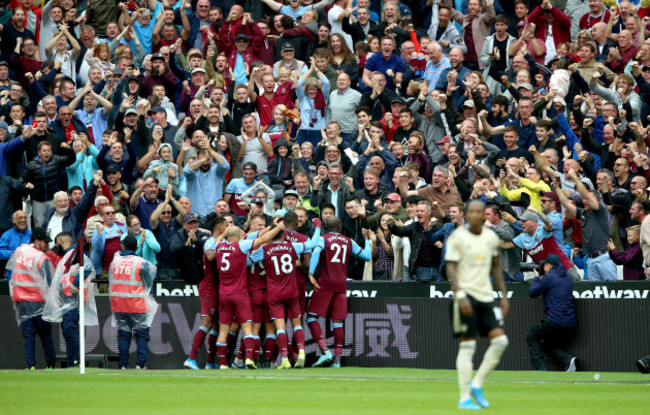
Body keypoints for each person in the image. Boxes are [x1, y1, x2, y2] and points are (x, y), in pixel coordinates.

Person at [445, 200, 509, 410]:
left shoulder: (490, 236)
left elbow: (496, 267)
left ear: (484, 215)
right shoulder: (458, 237)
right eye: (470, 211)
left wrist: (504, 295)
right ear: (466, 214)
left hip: (486, 296)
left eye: (478, 212)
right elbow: (451, 268)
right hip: (465, 296)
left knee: (500, 341)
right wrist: (460, 295)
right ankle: (464, 398)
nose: (474, 215)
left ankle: (477, 383)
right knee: (468, 346)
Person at [251, 220, 320, 369]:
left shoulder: (264, 250)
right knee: (296, 324)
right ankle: (301, 352)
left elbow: (247, 262)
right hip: (291, 291)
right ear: (283, 237)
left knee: (280, 327)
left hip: (274, 294)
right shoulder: (292, 246)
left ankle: (284, 359)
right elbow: (313, 243)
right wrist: (318, 227)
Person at [213, 224, 281, 369]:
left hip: (224, 294)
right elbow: (266, 238)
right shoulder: (241, 246)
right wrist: (279, 226)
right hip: (240, 294)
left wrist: (224, 232)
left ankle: (223, 364)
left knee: (223, 330)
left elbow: (217, 241)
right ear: (238, 237)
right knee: (248, 328)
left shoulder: (219, 247)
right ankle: (249, 358)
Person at [307, 216, 371, 368]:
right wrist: (367, 240)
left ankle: (325, 351)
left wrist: (310, 273)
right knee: (338, 322)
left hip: (325, 282)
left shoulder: (324, 239)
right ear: (340, 226)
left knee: (311, 317)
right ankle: (337, 361)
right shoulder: (349, 241)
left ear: (326, 227)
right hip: (341, 284)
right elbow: (366, 256)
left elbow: (316, 253)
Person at [42, 232, 97, 368]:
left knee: (69, 330)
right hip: (67, 300)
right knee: (67, 331)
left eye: (56, 243)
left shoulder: (75, 254)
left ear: (60, 240)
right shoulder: (69, 255)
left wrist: (75, 284)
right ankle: (72, 361)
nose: (55, 247)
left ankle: (78, 360)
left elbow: (88, 268)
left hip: (73, 300)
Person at [6, 227, 56, 369]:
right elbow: (48, 283)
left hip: (21, 301)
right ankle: (50, 365)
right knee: (45, 334)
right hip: (38, 301)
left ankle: (31, 366)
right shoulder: (41, 258)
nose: (47, 245)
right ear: (37, 241)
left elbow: (11, 272)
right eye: (45, 242)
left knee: (28, 335)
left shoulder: (19, 251)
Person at [108, 234, 158, 370]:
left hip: (118, 304)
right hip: (137, 303)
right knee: (141, 334)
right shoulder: (140, 262)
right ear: (136, 248)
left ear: (123, 246)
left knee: (124, 335)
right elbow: (148, 280)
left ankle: (123, 365)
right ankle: (140, 365)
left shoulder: (114, 263)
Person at [526, 254, 578, 372]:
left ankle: (540, 368)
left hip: (555, 321)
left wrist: (536, 278)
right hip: (570, 323)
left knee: (531, 335)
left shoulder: (549, 277)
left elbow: (533, 293)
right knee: (549, 344)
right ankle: (567, 360)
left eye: (544, 265)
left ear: (549, 266)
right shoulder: (568, 277)